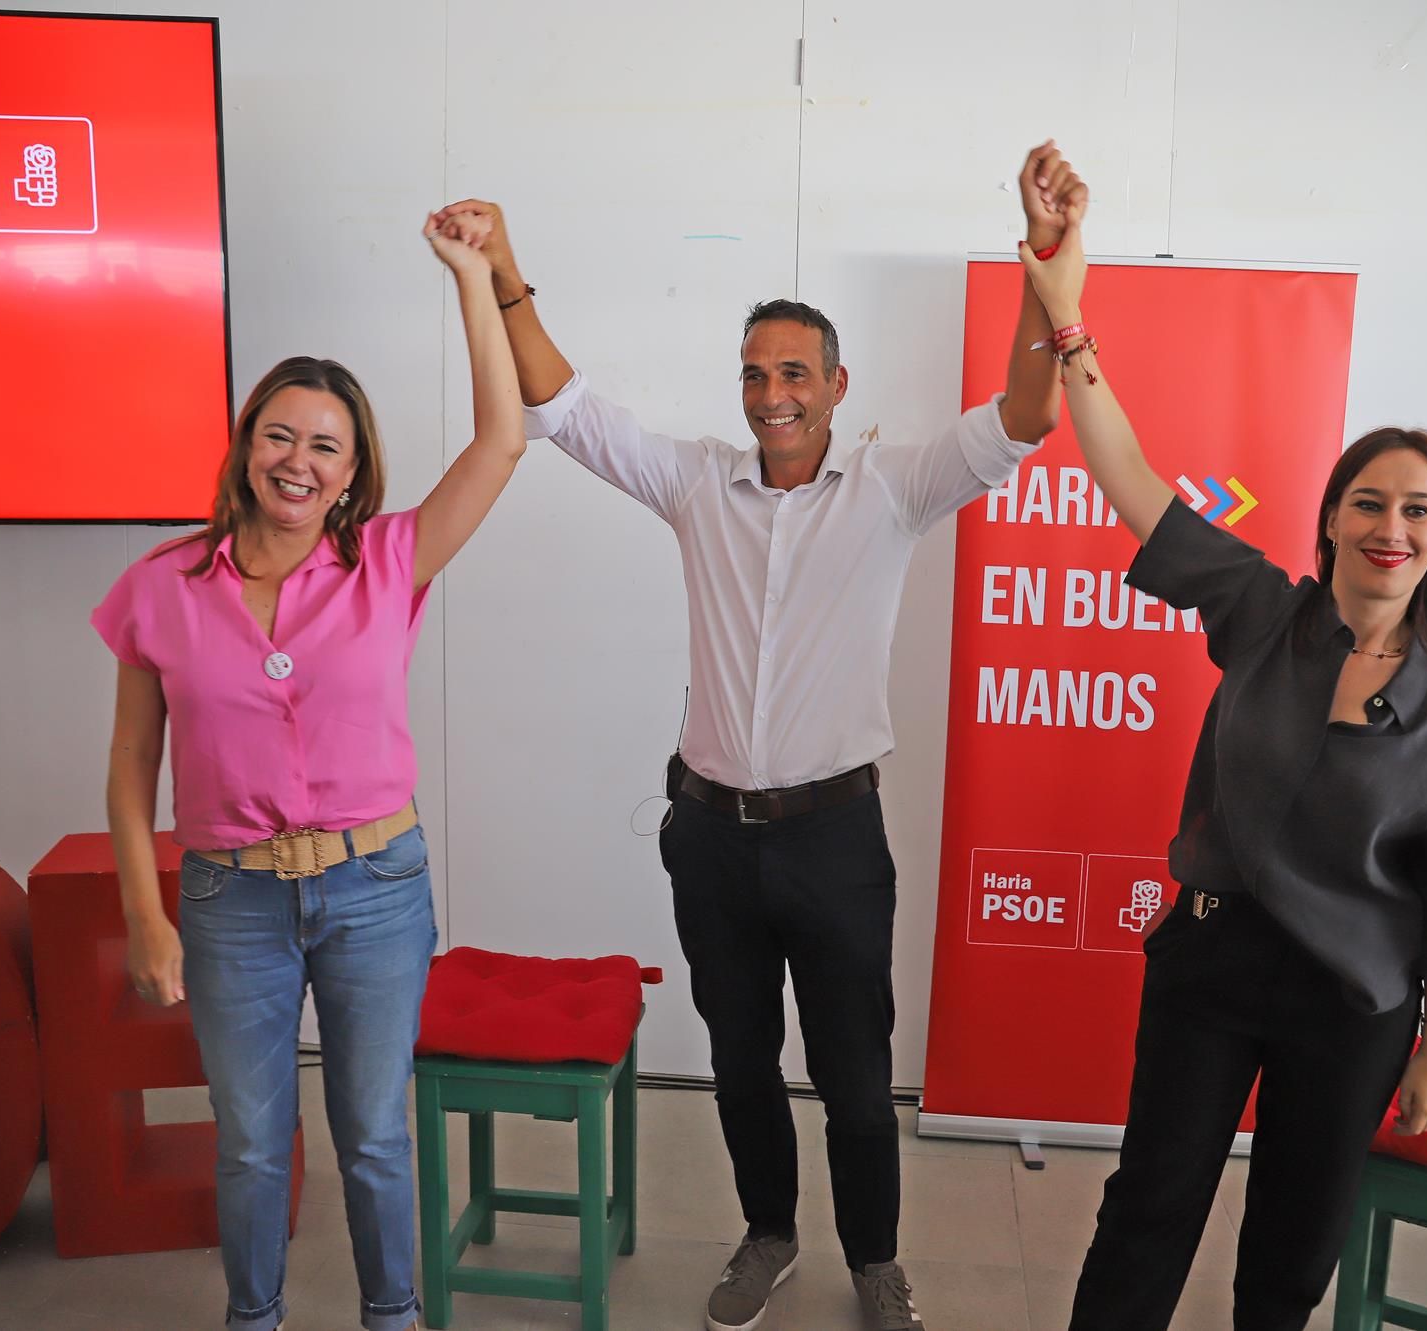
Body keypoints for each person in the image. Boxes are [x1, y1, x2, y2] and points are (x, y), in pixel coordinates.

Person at [427, 142, 1076, 1331]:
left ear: (836, 384)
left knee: (852, 1077)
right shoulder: (694, 483)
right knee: (737, 1059)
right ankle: (768, 1232)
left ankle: (874, 1261)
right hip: (711, 837)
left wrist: (1044, 265)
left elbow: (1028, 413)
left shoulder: (894, 487)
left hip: (833, 838)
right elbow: (558, 405)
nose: (769, 392)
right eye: (751, 372)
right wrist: (506, 267)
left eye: (793, 371)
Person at [1013, 152, 1427, 1331]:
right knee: (1149, 1206)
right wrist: (1063, 306)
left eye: (1417, 510)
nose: (1390, 526)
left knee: (1291, 1242)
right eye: (1370, 502)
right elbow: (1125, 473)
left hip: (1355, 997)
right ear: (1331, 514)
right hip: (1211, 963)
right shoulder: (1262, 609)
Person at [94, 210, 521, 1331]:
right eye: (280, 435)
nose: (298, 460)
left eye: (325, 446)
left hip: (374, 888)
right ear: (245, 445)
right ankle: (255, 1317)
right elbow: (133, 767)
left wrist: (474, 280)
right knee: (250, 1140)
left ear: (350, 474)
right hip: (230, 897)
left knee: (374, 1132)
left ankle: (393, 1314)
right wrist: (147, 913)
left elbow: (501, 443)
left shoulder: (388, 560)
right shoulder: (161, 584)